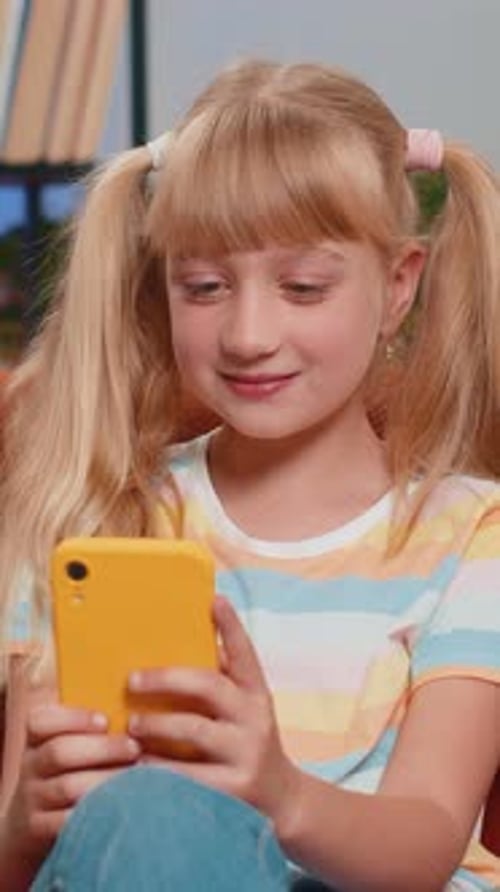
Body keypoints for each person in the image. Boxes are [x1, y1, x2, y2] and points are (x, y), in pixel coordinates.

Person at [0, 58, 499, 892]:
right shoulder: (95, 517)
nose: (248, 334)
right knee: (147, 819)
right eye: (203, 287)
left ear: (397, 288)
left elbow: (429, 842)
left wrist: (282, 793)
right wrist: (23, 823)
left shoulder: (471, 535)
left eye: (303, 287)